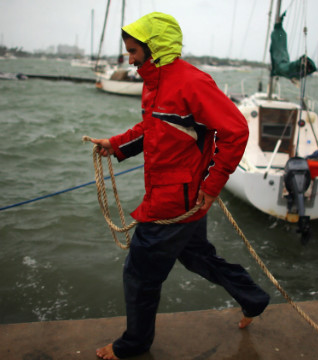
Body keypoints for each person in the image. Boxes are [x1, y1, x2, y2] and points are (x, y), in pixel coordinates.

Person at [90, 12, 270, 360]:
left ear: (154, 48)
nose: (129, 59)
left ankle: (134, 344)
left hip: (175, 201)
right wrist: (117, 145)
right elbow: (152, 129)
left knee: (139, 275)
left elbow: (236, 130)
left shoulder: (192, 83)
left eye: (132, 51)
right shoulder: (155, 82)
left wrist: (214, 184)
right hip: (179, 197)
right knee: (199, 257)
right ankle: (254, 299)